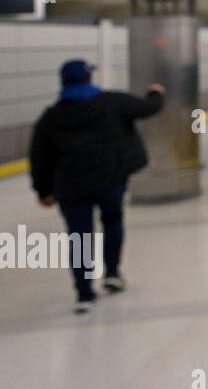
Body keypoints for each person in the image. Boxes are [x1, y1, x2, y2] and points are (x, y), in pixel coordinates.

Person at [28, 59, 166, 313]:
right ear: (89, 78)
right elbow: (147, 108)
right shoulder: (112, 102)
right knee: (112, 221)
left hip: (70, 188)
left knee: (79, 237)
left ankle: (84, 293)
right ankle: (112, 273)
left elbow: (40, 157)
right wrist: (155, 93)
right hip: (110, 180)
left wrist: (43, 190)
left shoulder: (51, 117)